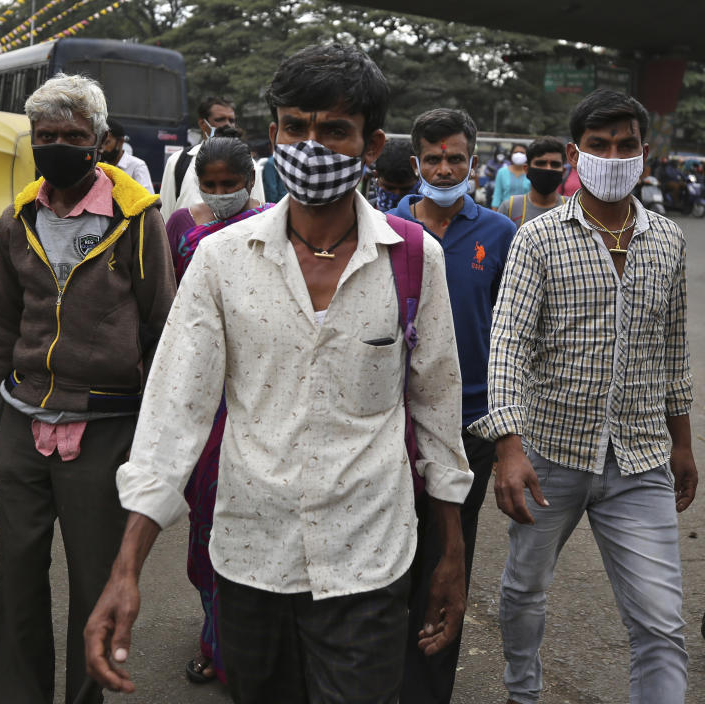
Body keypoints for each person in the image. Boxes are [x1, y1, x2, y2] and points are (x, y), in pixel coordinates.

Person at [85, 43, 473, 704]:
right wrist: (126, 568)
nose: (311, 145)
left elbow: (437, 409)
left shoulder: (414, 260)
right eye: (297, 127)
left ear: (371, 144)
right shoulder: (221, 259)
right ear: (273, 135)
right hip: (248, 557)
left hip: (371, 561)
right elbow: (176, 410)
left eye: (334, 130)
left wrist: (452, 556)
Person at [469, 88, 697, 704]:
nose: (613, 155)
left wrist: (683, 443)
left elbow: (673, 349)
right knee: (523, 590)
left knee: (660, 622)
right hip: (549, 453)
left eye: (626, 145)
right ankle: (523, 690)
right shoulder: (538, 239)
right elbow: (508, 345)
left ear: (644, 155)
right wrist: (508, 448)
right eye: (599, 145)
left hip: (641, 456)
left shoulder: (669, 243)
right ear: (576, 153)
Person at [0, 73, 176, 704]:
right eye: (45, 135)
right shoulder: (17, 218)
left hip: (106, 425)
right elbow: (1, 324)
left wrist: (153, 433)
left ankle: (87, 695)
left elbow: (162, 326)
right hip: (21, 419)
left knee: (94, 577)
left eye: (73, 135)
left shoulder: (138, 221)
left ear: (102, 142)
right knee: (18, 573)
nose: (57, 145)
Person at [387, 108, 517, 704]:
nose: (445, 168)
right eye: (434, 159)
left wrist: (506, 426)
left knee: (446, 565)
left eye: (456, 158)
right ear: (416, 164)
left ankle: (427, 692)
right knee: (384, 567)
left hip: (468, 427)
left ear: (472, 163)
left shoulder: (498, 234)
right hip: (391, 424)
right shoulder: (383, 229)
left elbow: (511, 334)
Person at [164, 134, 272, 686]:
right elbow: (170, 308)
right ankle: (215, 636)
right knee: (206, 518)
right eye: (212, 185)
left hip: (260, 392)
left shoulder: (276, 222)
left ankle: (254, 644)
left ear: (251, 181)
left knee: (257, 517)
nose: (223, 194)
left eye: (233, 184)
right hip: (204, 393)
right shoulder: (181, 226)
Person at [159, 96, 265, 220]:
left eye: (231, 120)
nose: (227, 125)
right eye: (220, 119)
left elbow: (258, 215)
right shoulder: (179, 161)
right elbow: (166, 213)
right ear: (203, 124)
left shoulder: (249, 164)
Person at [498, 137, 568, 228]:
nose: (548, 169)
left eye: (555, 164)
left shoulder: (572, 208)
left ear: (563, 171)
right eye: (541, 163)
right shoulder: (509, 208)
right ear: (526, 170)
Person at [100, 117, 154, 193]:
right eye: (101, 143)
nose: (103, 148)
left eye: (107, 143)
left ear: (120, 142)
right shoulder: (99, 167)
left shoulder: (137, 166)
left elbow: (147, 200)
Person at [367, 138, 418, 213]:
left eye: (406, 189)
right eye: (389, 188)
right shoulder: (362, 213)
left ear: (420, 178)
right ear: (375, 176)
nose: (397, 194)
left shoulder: (433, 217)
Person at [491, 143, 530, 208]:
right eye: (516, 152)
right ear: (511, 154)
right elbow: (497, 195)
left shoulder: (531, 172)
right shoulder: (502, 172)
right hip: (505, 211)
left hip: (526, 211)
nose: (519, 155)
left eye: (522, 152)